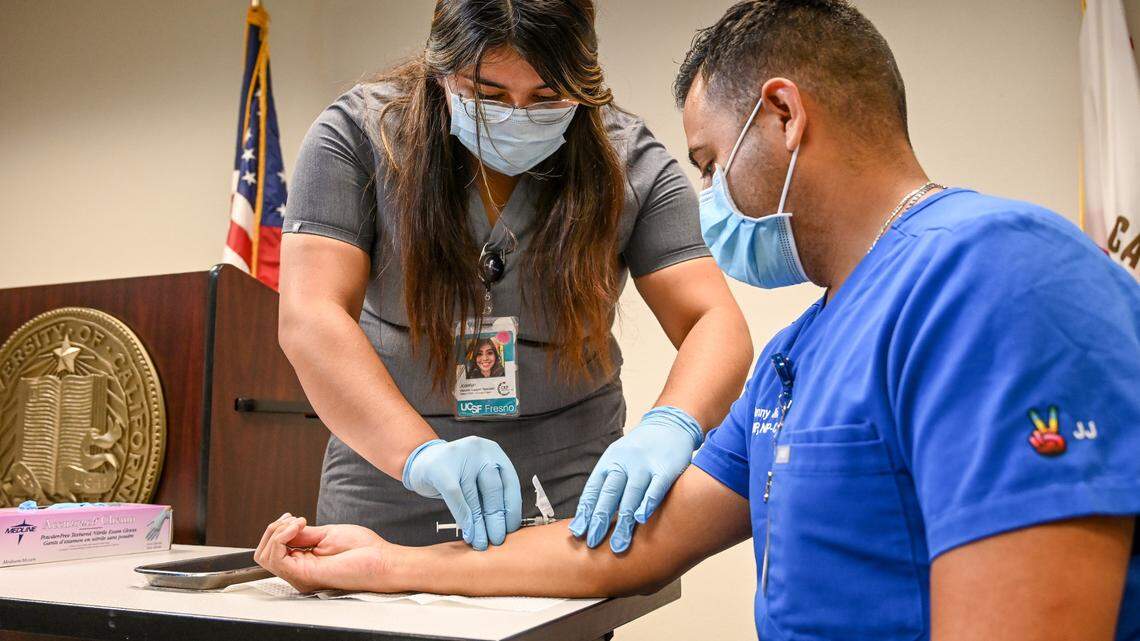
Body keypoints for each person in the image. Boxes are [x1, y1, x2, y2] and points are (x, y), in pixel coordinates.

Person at [258, 1, 1140, 639]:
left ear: (785, 115)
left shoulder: (998, 272)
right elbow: (639, 546)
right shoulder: (804, 351)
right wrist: (390, 553)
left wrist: (670, 423)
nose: (704, 196)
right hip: (402, 515)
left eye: (710, 163)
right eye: (491, 94)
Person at [277, 0, 752, 553]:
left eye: (547, 97)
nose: (518, 114)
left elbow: (714, 319)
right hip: (387, 482)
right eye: (488, 96)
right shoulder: (360, 138)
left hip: (567, 499)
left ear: (584, 82)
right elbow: (311, 316)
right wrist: (421, 456)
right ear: (441, 72)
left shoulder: (629, 162)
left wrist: (671, 424)